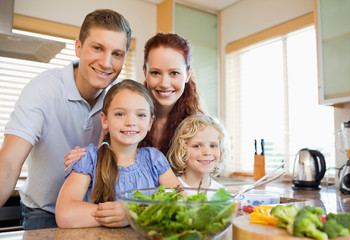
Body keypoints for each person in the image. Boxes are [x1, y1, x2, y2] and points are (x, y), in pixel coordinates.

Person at [0, 9, 132, 230]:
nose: (106, 63)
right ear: (78, 47)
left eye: (117, 54)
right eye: (97, 48)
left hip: (93, 211)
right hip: (44, 211)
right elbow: (9, 163)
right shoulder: (42, 90)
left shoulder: (120, 100)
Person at [55, 80, 181, 228]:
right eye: (120, 114)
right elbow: (65, 214)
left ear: (150, 123)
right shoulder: (88, 159)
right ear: (105, 120)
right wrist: (118, 214)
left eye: (140, 115)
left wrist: (133, 213)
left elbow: (184, 202)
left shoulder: (154, 159)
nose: (130, 122)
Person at [64, 32, 204, 165]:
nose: (164, 83)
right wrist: (84, 157)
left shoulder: (198, 127)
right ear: (145, 72)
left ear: (187, 74)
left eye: (174, 73)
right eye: (155, 73)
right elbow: (102, 155)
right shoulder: (121, 112)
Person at [167, 114, 230, 196]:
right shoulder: (170, 190)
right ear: (182, 150)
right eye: (197, 146)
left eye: (213, 146)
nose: (207, 152)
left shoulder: (223, 193)